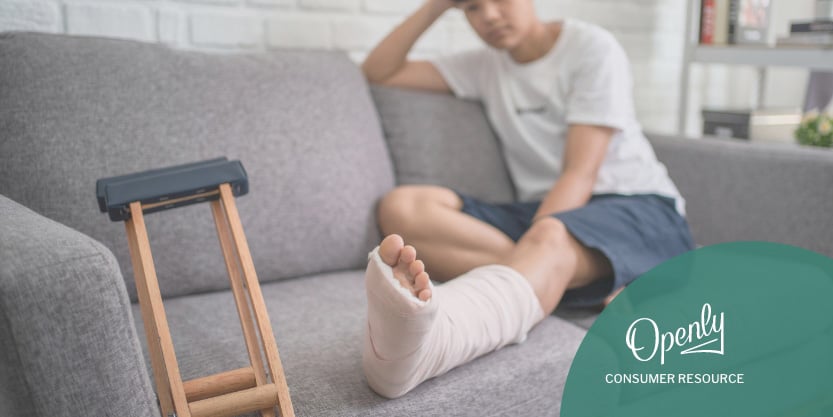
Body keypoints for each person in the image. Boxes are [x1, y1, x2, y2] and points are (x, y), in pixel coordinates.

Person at [359, 0, 695, 399]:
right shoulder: (483, 65)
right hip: (542, 210)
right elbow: (379, 70)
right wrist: (435, 7)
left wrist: (541, 240)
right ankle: (565, 277)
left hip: (638, 206)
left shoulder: (592, 47)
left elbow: (579, 173)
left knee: (550, 233)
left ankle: (441, 337)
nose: (488, 17)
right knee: (402, 207)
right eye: (471, 8)